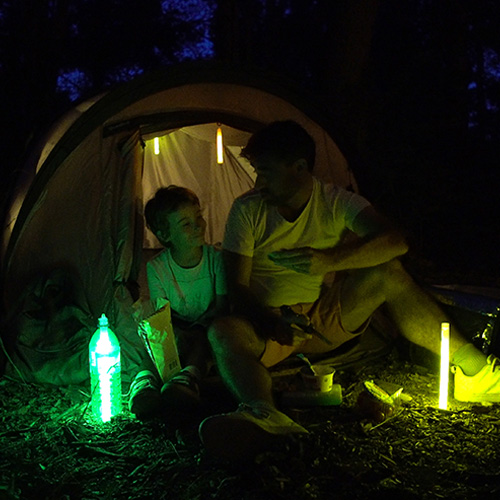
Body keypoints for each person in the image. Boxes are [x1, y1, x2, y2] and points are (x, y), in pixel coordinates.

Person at [198, 120, 500, 460]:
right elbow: (237, 288)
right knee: (223, 331)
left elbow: (395, 241)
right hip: (267, 324)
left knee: (388, 272)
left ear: (299, 168)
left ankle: (478, 374)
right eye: (257, 171)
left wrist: (329, 261)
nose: (258, 181)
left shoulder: (335, 201)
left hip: (320, 317)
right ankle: (265, 415)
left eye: (265, 171)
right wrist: (270, 322)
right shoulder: (247, 209)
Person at [129, 186, 227, 417]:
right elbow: (162, 315)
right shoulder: (157, 268)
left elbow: (222, 307)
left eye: (198, 217)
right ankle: (144, 383)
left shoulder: (216, 260)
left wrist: (200, 326)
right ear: (165, 234)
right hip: (177, 328)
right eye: (185, 223)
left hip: (206, 326)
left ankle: (187, 380)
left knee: (204, 340)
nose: (197, 226)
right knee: (155, 342)